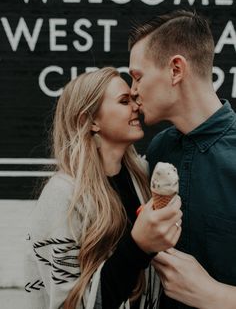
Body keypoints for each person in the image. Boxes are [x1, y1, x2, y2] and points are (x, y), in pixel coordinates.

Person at [24, 67, 182, 309]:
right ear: (89, 121)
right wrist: (138, 246)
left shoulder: (143, 175)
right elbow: (69, 304)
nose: (136, 106)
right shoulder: (63, 194)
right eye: (124, 100)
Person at [128, 10, 236, 309]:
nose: (133, 91)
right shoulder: (160, 148)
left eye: (137, 77)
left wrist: (219, 297)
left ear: (176, 70)